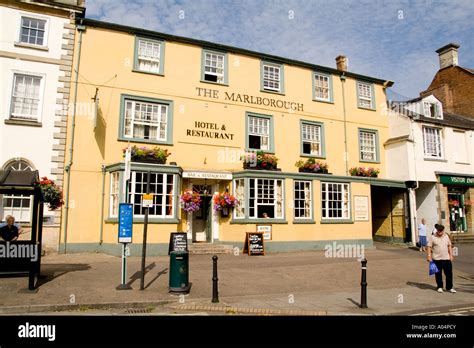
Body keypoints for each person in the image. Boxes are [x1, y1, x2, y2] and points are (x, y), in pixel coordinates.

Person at [427, 224, 456, 293]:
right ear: (437, 230)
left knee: (449, 274)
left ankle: (449, 287)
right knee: (438, 274)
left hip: (446, 258)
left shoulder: (446, 236)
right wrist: (429, 256)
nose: (440, 232)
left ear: (443, 230)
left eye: (441, 231)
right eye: (439, 231)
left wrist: (451, 255)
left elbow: (449, 246)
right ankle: (439, 287)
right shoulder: (432, 237)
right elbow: (429, 247)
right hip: (436, 259)